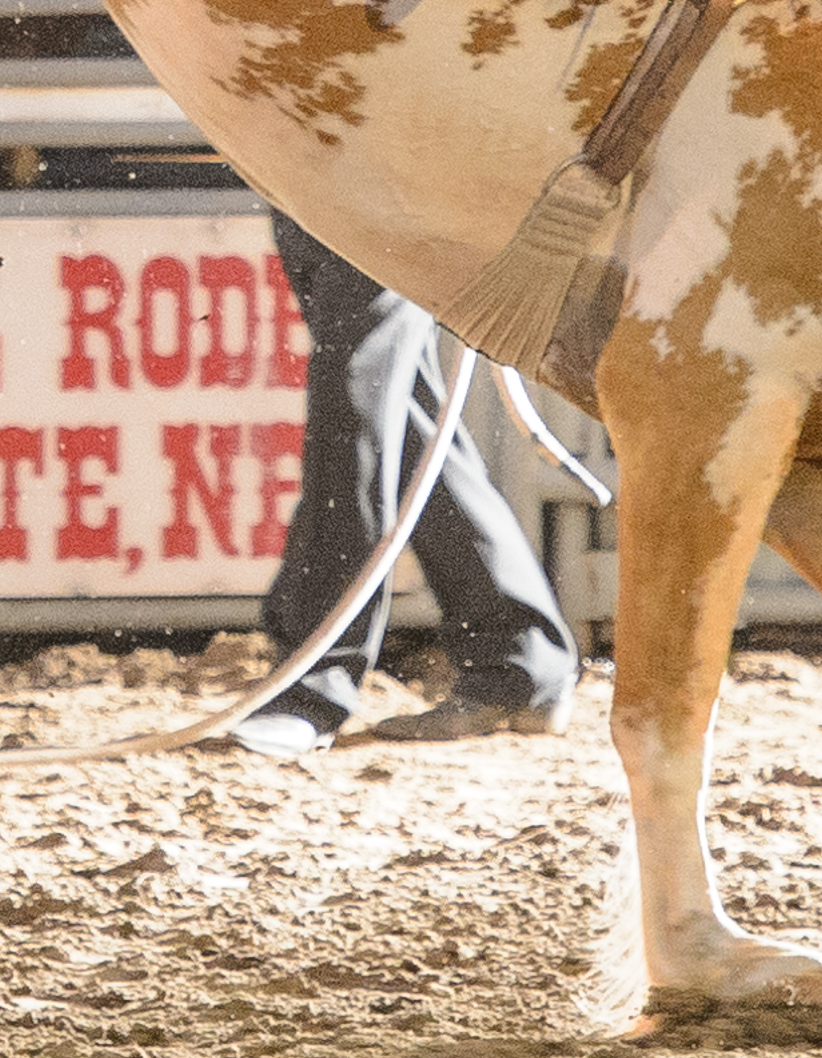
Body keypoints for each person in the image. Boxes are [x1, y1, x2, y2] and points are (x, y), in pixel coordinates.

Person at [231, 214, 581, 760]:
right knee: (399, 400)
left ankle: (313, 680)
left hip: (372, 175)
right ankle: (518, 657)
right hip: (318, 170)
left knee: (357, 385)